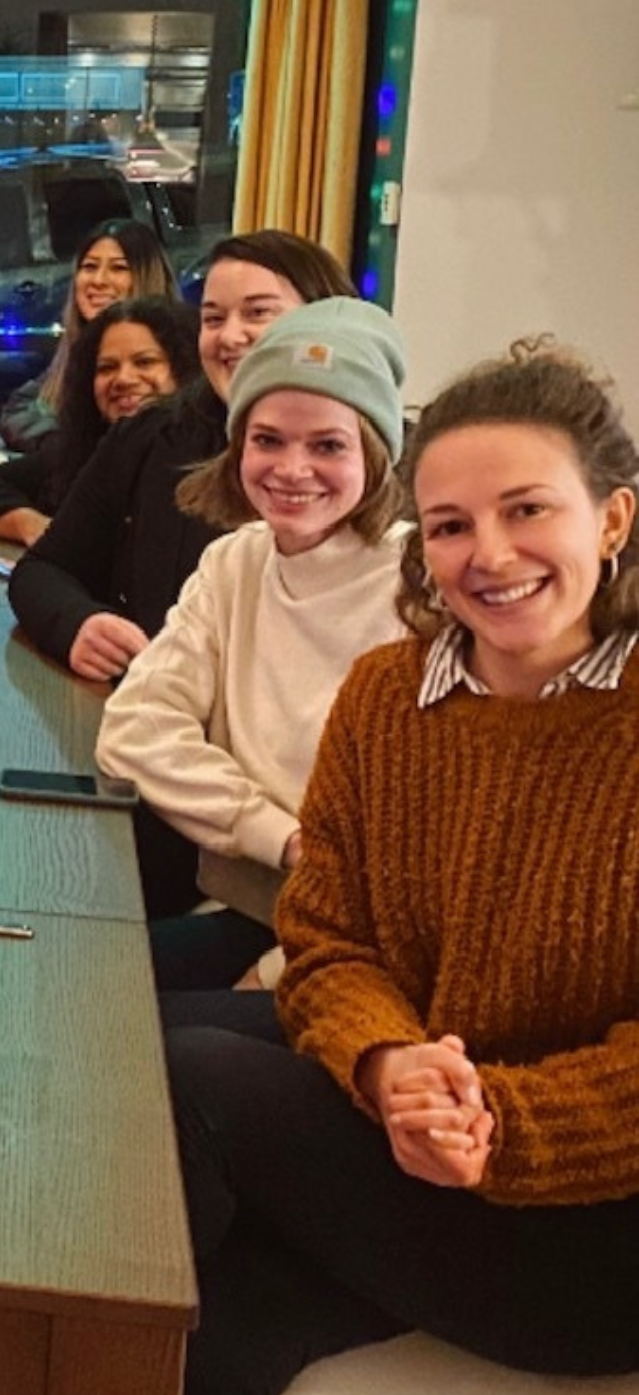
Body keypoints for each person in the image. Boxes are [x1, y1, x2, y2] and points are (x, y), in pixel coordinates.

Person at [166, 342, 639, 1395]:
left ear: (611, 519)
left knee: (186, 1080)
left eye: (528, 510)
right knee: (124, 1064)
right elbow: (329, 938)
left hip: (589, 1219)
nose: (490, 553)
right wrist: (384, 1062)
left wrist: (497, 1125)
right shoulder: (388, 695)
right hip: (410, 1123)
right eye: (451, 525)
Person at [7, 230, 354, 920]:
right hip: (164, 798)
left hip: (293, 865)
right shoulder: (155, 436)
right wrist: (80, 621)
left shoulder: (377, 522)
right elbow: (46, 568)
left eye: (258, 313)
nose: (231, 336)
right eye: (214, 317)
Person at [95, 298, 411, 1006]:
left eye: (328, 445)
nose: (292, 468)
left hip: (355, 950)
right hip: (252, 909)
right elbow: (135, 729)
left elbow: (408, 875)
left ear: (375, 454)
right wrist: (283, 839)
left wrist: (275, 969)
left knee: (138, 1048)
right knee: (67, 978)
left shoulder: (419, 588)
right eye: (268, 440)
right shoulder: (234, 562)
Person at [0, 297, 200, 545]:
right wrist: (33, 526)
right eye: (107, 367)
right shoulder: (84, 452)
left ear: (185, 368)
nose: (123, 379)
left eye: (144, 362)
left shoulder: (213, 468)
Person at [0, 218, 176, 453]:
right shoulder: (75, 351)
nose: (98, 281)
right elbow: (17, 411)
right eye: (89, 267)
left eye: (118, 268)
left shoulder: (175, 349)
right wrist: (59, 443)